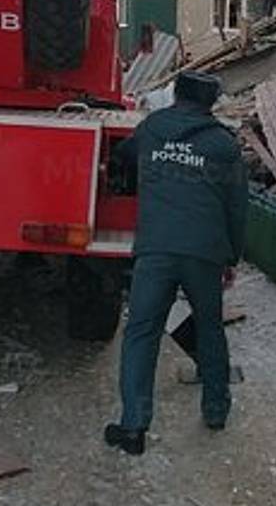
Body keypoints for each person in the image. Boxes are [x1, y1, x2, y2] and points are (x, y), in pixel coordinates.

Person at [105, 71, 248, 456]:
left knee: (141, 332)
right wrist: (230, 256)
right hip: (204, 252)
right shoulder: (223, 144)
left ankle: (133, 426)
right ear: (211, 102)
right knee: (210, 328)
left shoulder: (152, 129)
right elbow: (237, 207)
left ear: (176, 95)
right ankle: (216, 410)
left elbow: (122, 157)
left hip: (156, 250)